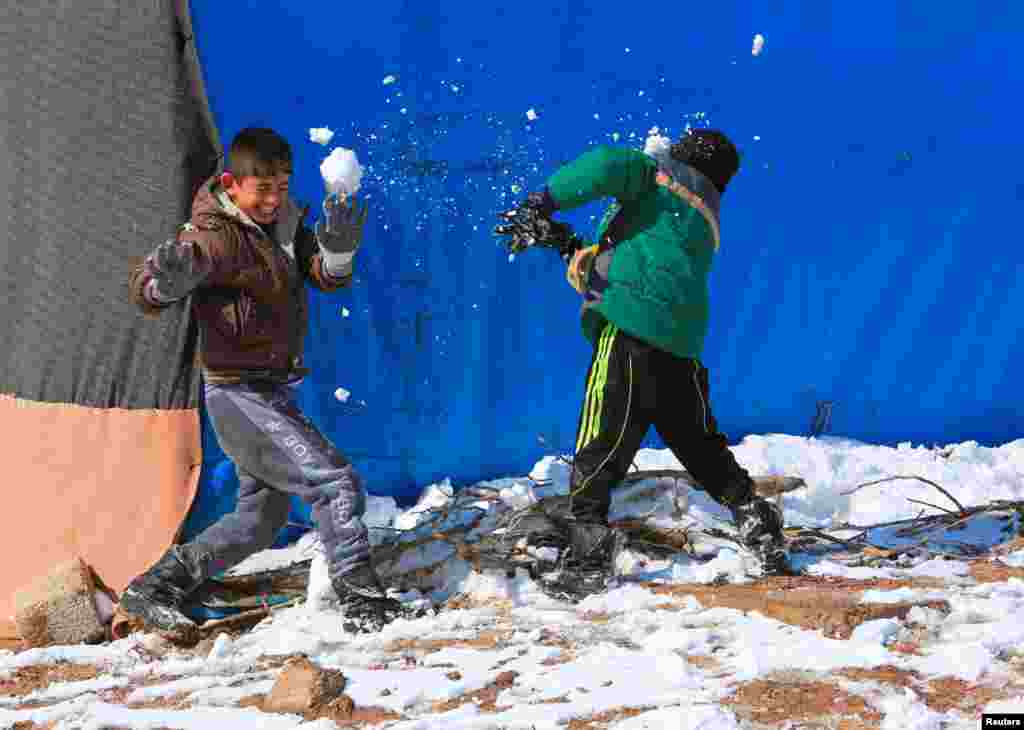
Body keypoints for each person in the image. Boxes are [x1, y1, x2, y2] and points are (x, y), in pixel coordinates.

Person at [126, 127, 408, 637]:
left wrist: (338, 252)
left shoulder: (285, 220)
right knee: (333, 482)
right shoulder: (215, 235)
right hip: (238, 391)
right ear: (232, 184)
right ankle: (362, 599)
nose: (274, 199)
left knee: (260, 519)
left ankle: (157, 585)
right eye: (263, 190)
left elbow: (321, 274)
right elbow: (152, 286)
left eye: (282, 186)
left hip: (271, 388)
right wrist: (160, 284)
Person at [495, 128, 794, 587]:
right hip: (680, 346)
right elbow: (627, 270)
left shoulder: (655, 176)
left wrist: (543, 202)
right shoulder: (700, 219)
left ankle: (588, 551)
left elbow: (605, 164)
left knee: (602, 438)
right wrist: (564, 243)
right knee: (699, 444)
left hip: (631, 334)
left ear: (682, 156)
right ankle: (757, 521)